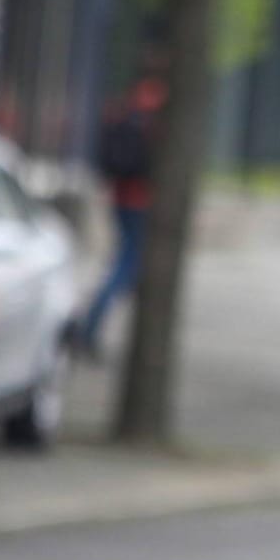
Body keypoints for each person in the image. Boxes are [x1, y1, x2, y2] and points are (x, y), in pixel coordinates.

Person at [78, 74, 164, 357]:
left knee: (126, 264)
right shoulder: (155, 114)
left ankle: (92, 326)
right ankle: (89, 328)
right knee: (126, 266)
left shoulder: (128, 109)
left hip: (123, 198)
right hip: (139, 201)